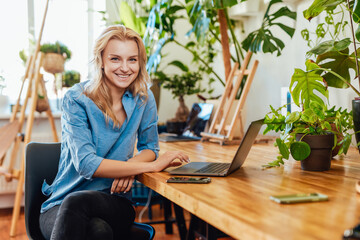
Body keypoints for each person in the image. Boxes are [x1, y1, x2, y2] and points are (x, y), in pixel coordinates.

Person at [39, 25, 189, 240]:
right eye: (115, 59)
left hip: (114, 200)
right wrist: (152, 166)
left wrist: (129, 168)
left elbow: (150, 148)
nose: (125, 68)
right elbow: (86, 164)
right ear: (101, 61)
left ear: (140, 62)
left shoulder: (144, 99)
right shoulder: (76, 99)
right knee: (97, 231)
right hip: (62, 204)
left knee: (93, 221)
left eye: (132, 60)